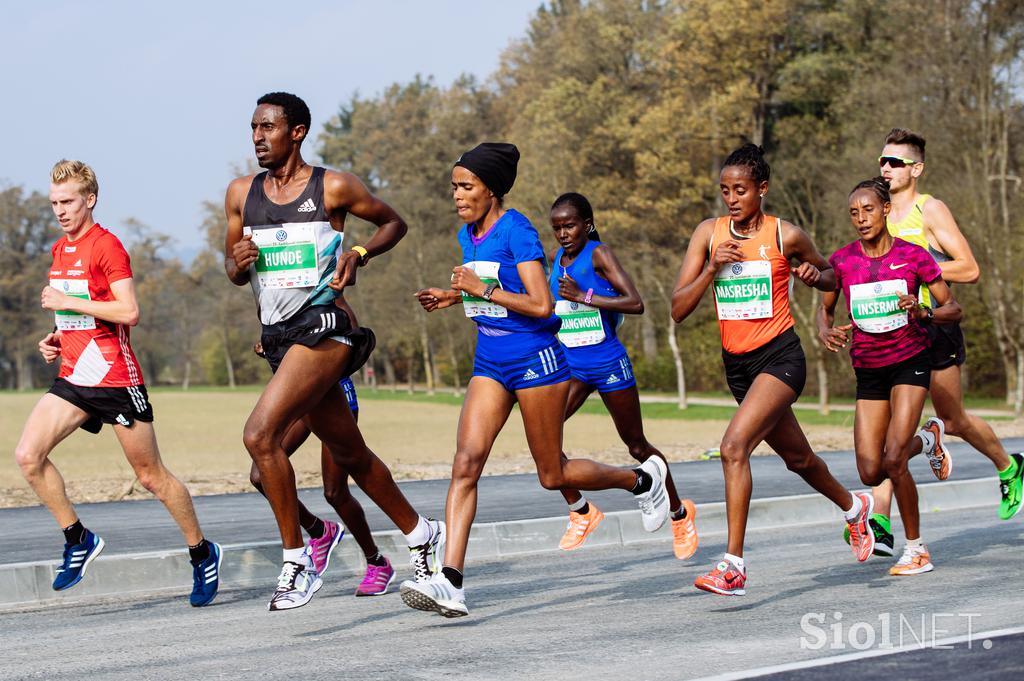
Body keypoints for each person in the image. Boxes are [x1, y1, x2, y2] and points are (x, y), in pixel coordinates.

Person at [403, 143, 670, 617]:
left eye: (466, 187)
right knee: (466, 462)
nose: (457, 195)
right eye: (454, 187)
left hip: (535, 360)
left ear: (492, 188)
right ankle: (452, 582)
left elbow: (542, 306)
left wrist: (479, 288)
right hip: (491, 360)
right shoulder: (469, 234)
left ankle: (640, 481)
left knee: (552, 475)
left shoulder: (518, 230)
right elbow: (489, 298)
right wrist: (453, 296)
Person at [224, 92, 442, 611]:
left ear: (296, 131)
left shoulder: (333, 186)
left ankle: (298, 562)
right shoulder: (239, 193)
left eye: (268, 127)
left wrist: (360, 254)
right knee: (350, 454)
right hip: (278, 335)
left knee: (259, 436)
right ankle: (420, 532)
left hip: (324, 326)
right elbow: (234, 272)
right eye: (253, 127)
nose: (257, 136)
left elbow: (394, 223)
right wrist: (236, 259)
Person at [670, 143, 875, 596]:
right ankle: (854, 506)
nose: (732, 199)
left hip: (781, 358)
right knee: (798, 459)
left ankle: (733, 566)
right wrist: (710, 268)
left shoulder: (786, 235)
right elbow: (678, 309)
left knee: (732, 447)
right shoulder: (708, 233)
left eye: (740, 190)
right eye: (725, 190)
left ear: (762, 189)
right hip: (739, 369)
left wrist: (810, 276)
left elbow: (831, 277)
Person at [14, 159, 221, 606]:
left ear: (90, 199)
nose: (60, 211)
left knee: (151, 477)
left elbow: (128, 312)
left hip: (114, 377)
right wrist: (55, 336)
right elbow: (78, 314)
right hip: (73, 375)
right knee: (28, 456)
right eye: (54, 203)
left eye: (68, 202)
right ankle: (78, 539)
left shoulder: (108, 246)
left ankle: (202, 553)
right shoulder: (59, 250)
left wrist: (68, 300)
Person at [866, 128, 1023, 525]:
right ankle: (878, 522)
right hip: (891, 332)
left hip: (934, 327)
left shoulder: (929, 210)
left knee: (954, 420)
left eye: (895, 162)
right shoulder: (876, 210)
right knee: (885, 437)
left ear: (916, 168)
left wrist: (917, 271)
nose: (886, 168)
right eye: (883, 161)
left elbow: (969, 268)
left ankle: (1009, 467)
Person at [820, 177, 962, 575]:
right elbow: (825, 309)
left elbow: (953, 309)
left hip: (910, 361)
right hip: (868, 370)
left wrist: (924, 313)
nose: (861, 218)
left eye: (868, 210)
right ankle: (929, 438)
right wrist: (824, 329)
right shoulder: (842, 261)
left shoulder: (914, 256)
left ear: (885, 210)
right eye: (853, 213)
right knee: (870, 469)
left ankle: (916, 549)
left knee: (895, 459)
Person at [546, 192, 698, 559]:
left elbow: (636, 303)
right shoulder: (556, 260)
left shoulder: (599, 254)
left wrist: (585, 296)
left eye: (570, 226)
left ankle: (680, 514)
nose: (564, 234)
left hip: (608, 362)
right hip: (572, 365)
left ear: (587, 224)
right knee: (544, 438)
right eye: (557, 228)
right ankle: (581, 510)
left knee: (636, 445)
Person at [251, 316, 395, 597]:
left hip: (334, 396)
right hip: (302, 398)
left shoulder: (325, 293)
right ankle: (319, 531)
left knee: (335, 492)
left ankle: (377, 562)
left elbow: (349, 334)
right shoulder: (277, 301)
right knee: (260, 475)